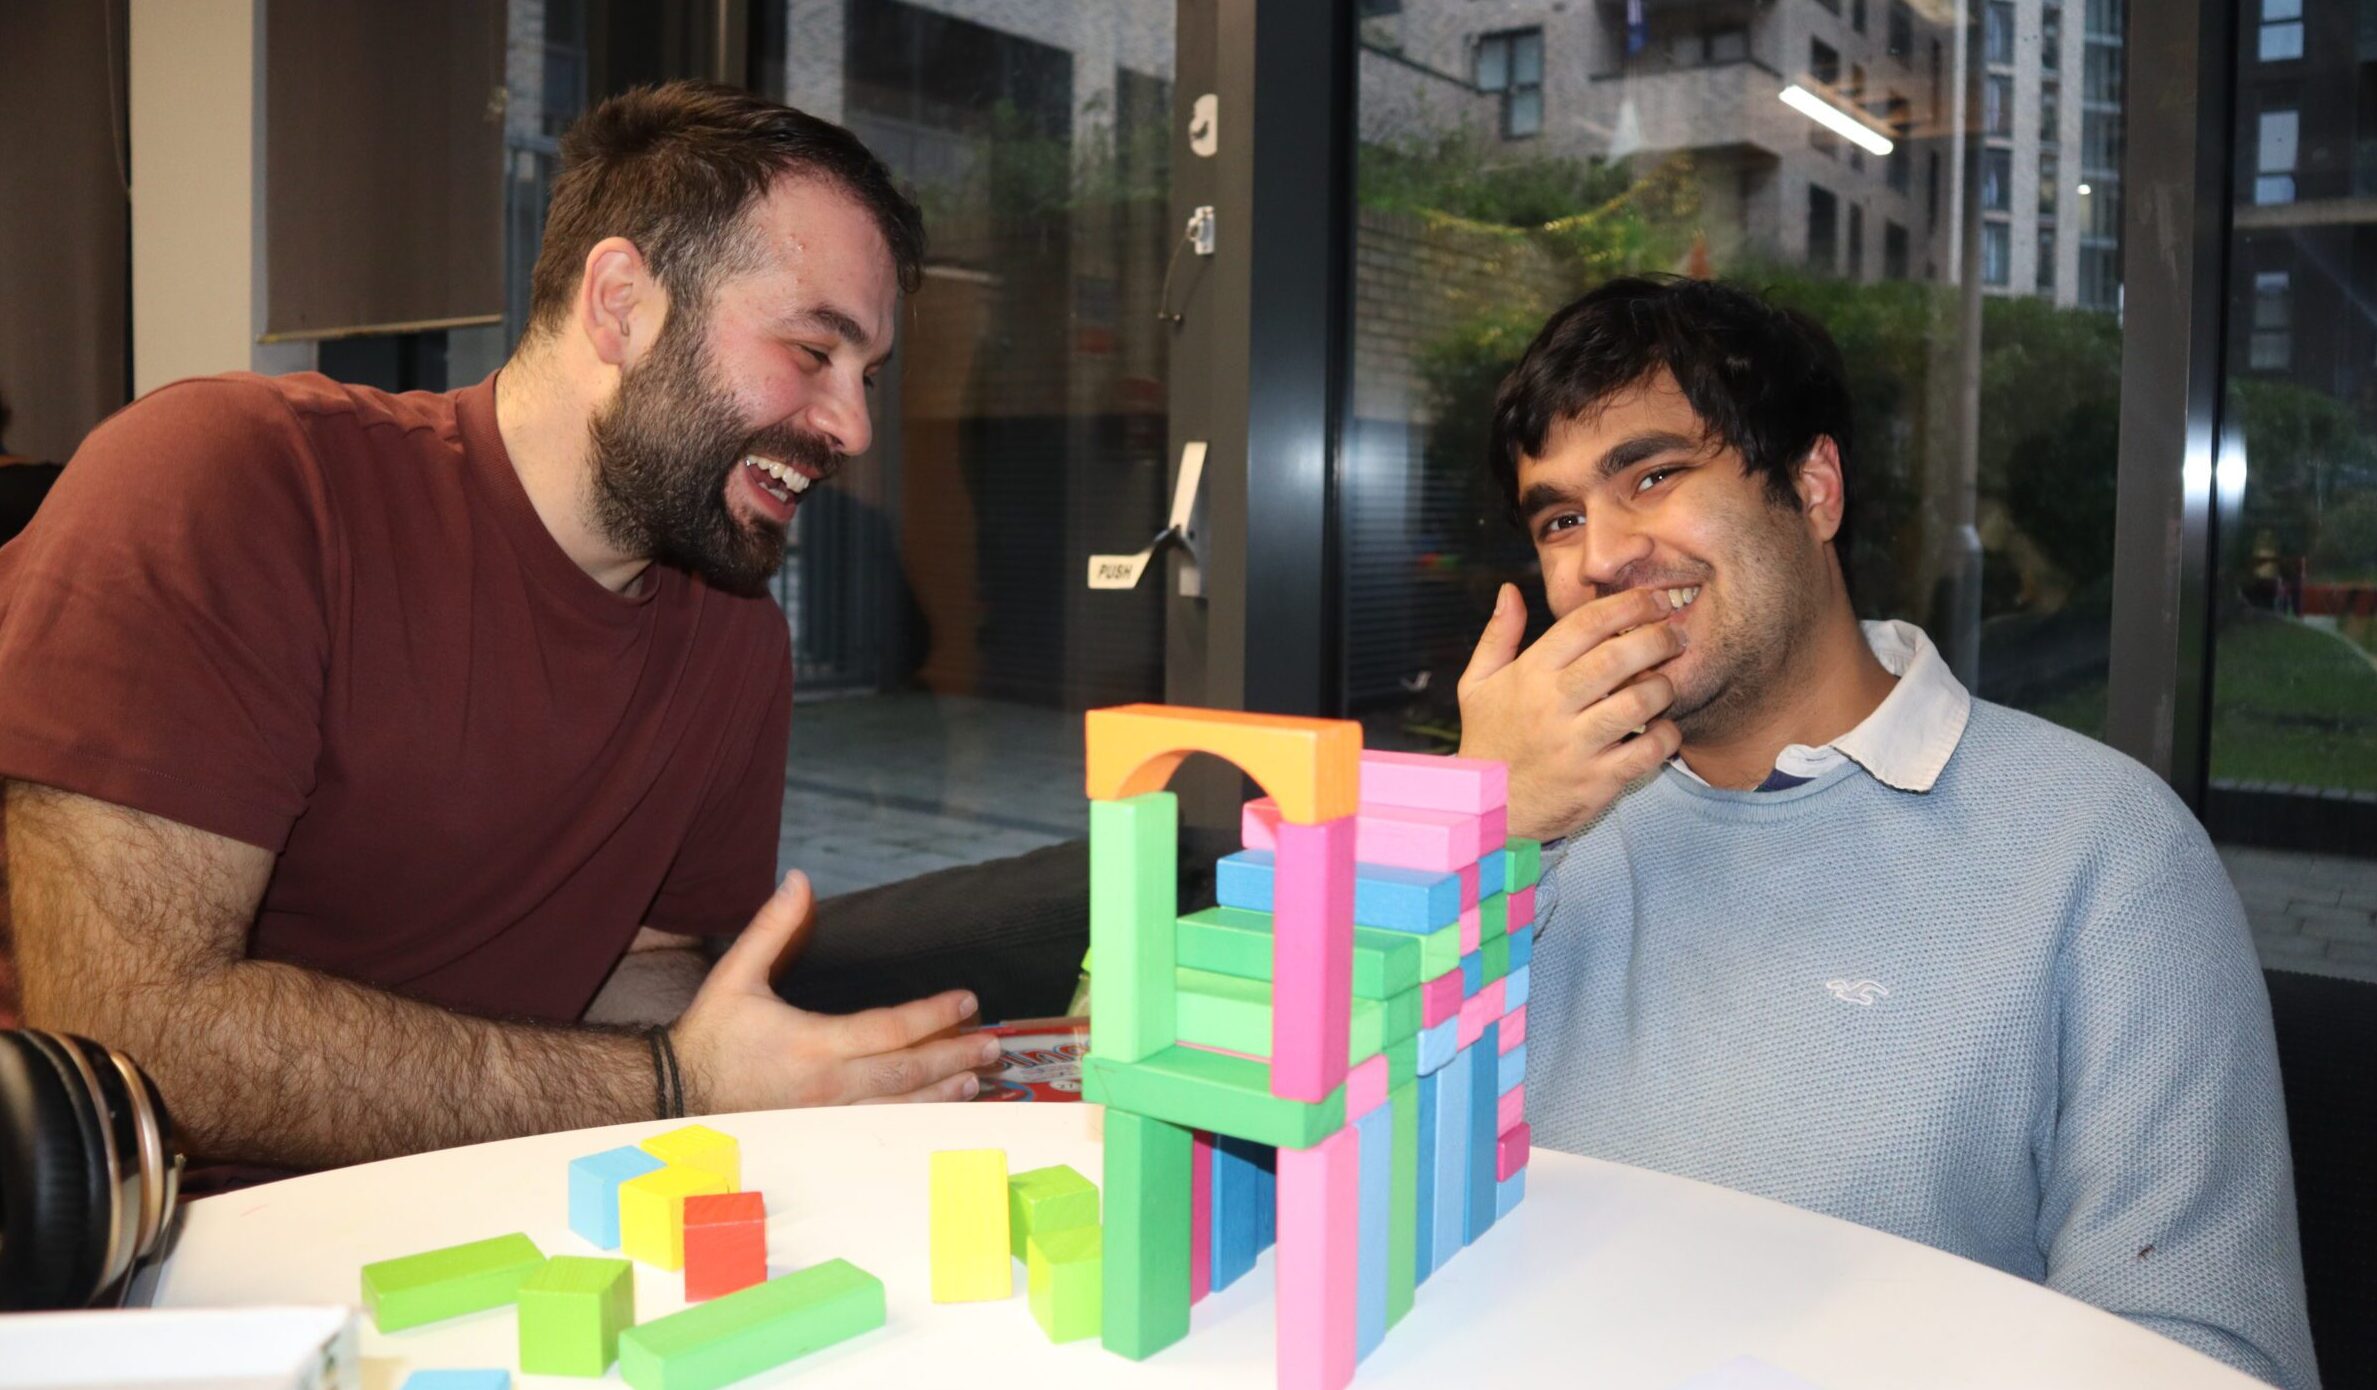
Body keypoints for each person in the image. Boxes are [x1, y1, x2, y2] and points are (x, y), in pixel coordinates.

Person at [0, 82, 1003, 1172]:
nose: (853, 426)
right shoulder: (233, 479)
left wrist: (728, 1069)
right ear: (621, 304)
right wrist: (675, 1083)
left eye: (869, 376)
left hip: (480, 1209)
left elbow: (646, 960)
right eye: (814, 351)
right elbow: (129, 1035)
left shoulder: (736, 638)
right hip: (138, 1251)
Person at [1456, 276, 2317, 1387]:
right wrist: (1473, 824)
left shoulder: (2103, 852)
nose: (1601, 555)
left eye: (1654, 475)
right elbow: (1291, 1153)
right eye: (1559, 517)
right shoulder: (1517, 826)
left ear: (1813, 488)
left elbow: (2205, 1356)